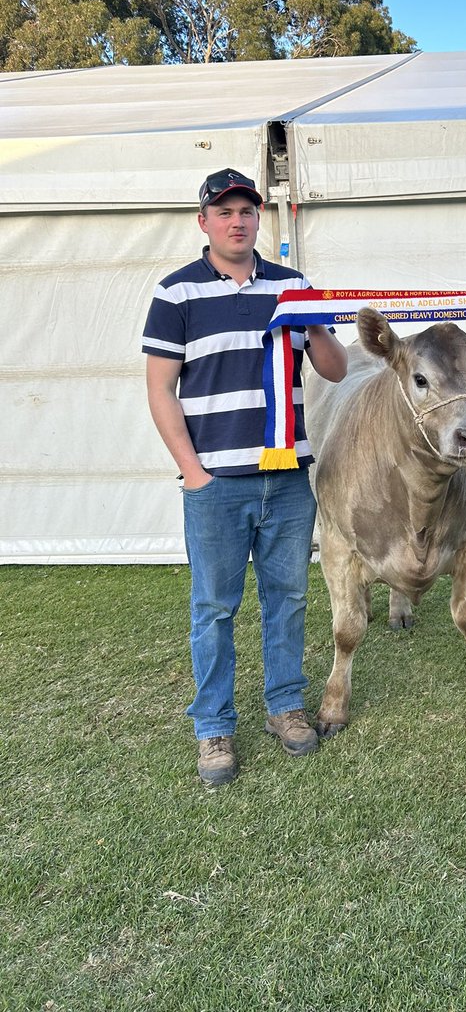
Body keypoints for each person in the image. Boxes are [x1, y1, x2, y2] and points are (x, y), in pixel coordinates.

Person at [142, 168, 347, 786]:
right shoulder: (176, 294)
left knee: (288, 599)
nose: (237, 221)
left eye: (247, 211)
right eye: (225, 211)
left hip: (287, 478)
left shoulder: (293, 286)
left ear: (260, 218)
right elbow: (160, 389)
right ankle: (214, 726)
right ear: (203, 222)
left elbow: (335, 369)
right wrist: (193, 472)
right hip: (217, 485)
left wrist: (315, 321)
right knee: (214, 608)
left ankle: (285, 706)